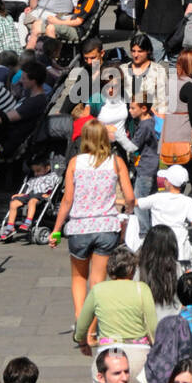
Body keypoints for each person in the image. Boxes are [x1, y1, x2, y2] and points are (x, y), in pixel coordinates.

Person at [50, 119, 135, 324]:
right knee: (98, 281)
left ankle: (80, 319)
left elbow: (67, 200)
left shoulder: (75, 163)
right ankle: (94, 326)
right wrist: (128, 212)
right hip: (106, 227)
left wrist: (56, 229)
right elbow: (130, 197)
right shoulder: (116, 162)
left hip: (79, 227)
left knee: (79, 277)